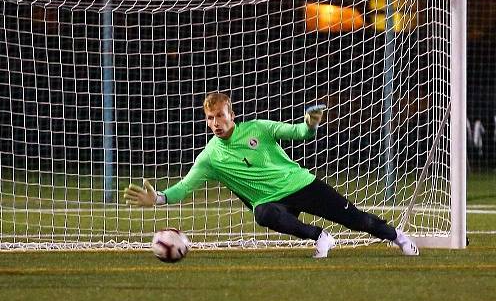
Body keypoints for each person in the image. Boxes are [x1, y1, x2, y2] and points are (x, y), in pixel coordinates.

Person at [124, 92, 419, 258]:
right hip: (270, 201)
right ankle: (321, 237)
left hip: (301, 184)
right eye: (210, 118)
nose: (215, 122)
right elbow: (185, 187)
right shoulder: (210, 157)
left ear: (232, 115)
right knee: (263, 213)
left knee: (359, 221)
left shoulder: (258, 128)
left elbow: (298, 133)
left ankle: (400, 238)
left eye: (220, 115)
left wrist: (311, 124)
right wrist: (159, 198)